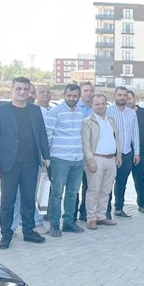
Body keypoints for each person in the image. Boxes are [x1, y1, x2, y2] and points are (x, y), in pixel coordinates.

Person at [0, 77, 50, 250]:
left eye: (25, 89)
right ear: (12, 90)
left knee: (28, 199)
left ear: (29, 92)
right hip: (9, 164)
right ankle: (6, 234)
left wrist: (46, 155)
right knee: (8, 201)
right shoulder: (1, 111)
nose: (22, 92)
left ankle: (28, 231)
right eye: (18, 89)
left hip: (31, 163)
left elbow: (42, 134)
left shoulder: (35, 110)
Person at [45, 84, 85, 237]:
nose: (71, 98)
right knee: (57, 193)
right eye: (69, 95)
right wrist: (46, 158)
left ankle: (68, 222)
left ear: (79, 97)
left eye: (75, 96)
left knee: (72, 192)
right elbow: (48, 135)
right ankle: (54, 225)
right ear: (64, 95)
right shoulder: (55, 112)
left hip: (77, 159)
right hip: (60, 159)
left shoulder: (80, 112)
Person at [81, 94, 121, 230]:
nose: (100, 106)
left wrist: (118, 155)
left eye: (103, 103)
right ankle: (91, 218)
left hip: (111, 159)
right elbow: (85, 143)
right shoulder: (87, 122)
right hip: (96, 158)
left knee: (106, 190)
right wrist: (90, 159)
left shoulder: (111, 120)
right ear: (92, 105)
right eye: (97, 104)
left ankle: (101, 216)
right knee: (93, 190)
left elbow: (116, 138)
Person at [106, 87, 140, 219]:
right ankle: (106, 211)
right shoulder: (108, 111)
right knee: (108, 183)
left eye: (125, 95)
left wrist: (136, 152)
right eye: (119, 95)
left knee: (122, 182)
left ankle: (119, 208)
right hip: (112, 153)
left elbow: (135, 133)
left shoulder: (132, 113)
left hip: (127, 153)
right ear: (114, 96)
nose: (122, 97)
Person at [126, 90, 144, 214]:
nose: (127, 101)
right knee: (120, 180)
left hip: (140, 152)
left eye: (129, 98)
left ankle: (142, 203)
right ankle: (118, 206)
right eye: (125, 98)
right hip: (124, 152)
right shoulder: (121, 114)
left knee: (140, 179)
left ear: (134, 99)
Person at [75, 81, 94, 221]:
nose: (88, 93)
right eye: (85, 90)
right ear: (81, 92)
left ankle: (84, 212)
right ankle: (71, 214)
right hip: (76, 152)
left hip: (91, 153)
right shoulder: (74, 108)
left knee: (89, 185)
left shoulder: (96, 108)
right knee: (74, 186)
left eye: (91, 91)